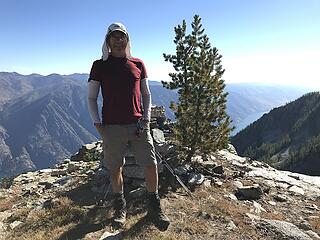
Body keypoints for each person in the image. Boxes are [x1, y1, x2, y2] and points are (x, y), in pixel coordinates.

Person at [87, 22, 170, 230]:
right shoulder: (99, 65)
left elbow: (146, 94)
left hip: (138, 125)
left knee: (150, 165)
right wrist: (98, 124)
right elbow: (91, 98)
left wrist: (147, 118)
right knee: (115, 168)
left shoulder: (138, 64)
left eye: (121, 36)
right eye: (114, 37)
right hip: (112, 127)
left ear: (127, 39)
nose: (118, 40)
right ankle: (120, 207)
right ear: (107, 41)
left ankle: (154, 207)